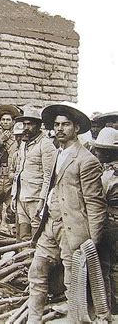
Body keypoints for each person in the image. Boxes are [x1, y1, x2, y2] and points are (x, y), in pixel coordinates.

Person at [27, 103, 107, 323]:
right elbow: (52, 186)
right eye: (56, 125)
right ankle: (33, 319)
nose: (60, 129)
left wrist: (92, 241)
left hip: (73, 230)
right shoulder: (56, 154)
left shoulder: (86, 160)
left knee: (75, 283)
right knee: (37, 272)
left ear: (77, 127)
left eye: (66, 124)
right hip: (50, 225)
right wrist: (43, 207)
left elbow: (95, 205)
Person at [11, 108, 56, 241]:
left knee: (36, 236)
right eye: (24, 124)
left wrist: (42, 201)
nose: (26, 128)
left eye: (29, 124)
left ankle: (34, 260)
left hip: (35, 198)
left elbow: (49, 177)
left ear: (38, 125)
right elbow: (19, 171)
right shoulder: (24, 144)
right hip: (21, 196)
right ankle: (23, 261)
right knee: (23, 234)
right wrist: (14, 195)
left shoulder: (46, 145)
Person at [94, 127, 118, 313]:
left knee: (107, 266)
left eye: (100, 149)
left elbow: (98, 197)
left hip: (110, 223)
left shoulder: (110, 175)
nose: (96, 152)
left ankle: (112, 307)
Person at [0, 105, 21, 226]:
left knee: (12, 207)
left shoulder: (18, 136)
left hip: (11, 176)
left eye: (8, 120)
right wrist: (1, 139)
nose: (5, 122)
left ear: (13, 122)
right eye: (3, 120)